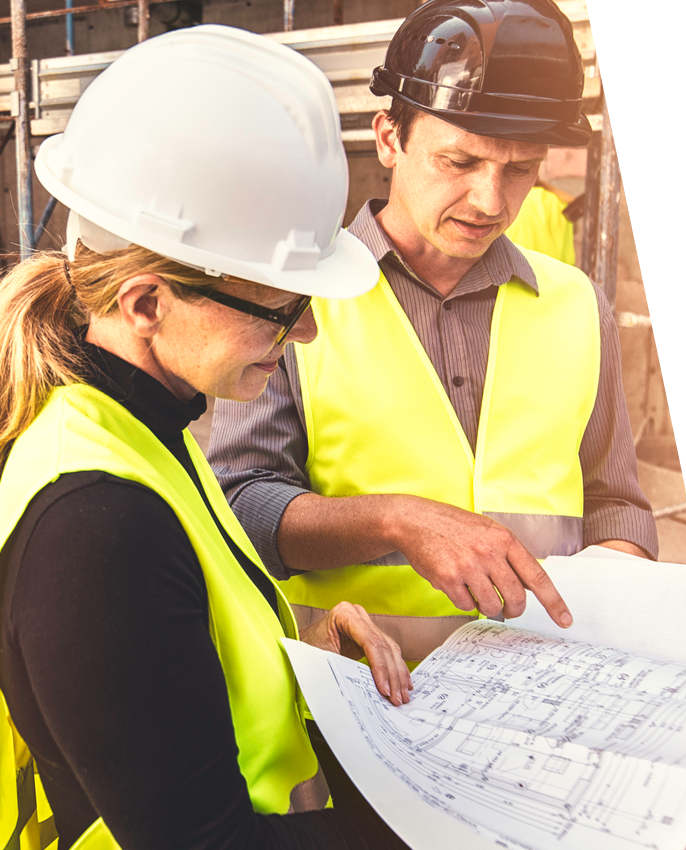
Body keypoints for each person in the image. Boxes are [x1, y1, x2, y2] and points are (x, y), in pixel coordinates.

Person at [0, 25, 412, 850]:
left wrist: (301, 632)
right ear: (147, 303)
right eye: (280, 308)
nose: (303, 337)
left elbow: (167, 636)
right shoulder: (93, 522)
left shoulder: (142, 427)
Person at [210, 0, 658, 666]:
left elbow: (615, 501)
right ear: (388, 138)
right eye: (460, 162)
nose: (490, 202)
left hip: (546, 697)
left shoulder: (575, 304)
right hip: (361, 695)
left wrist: (613, 594)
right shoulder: (296, 298)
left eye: (518, 170)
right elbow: (242, 505)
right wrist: (395, 520)